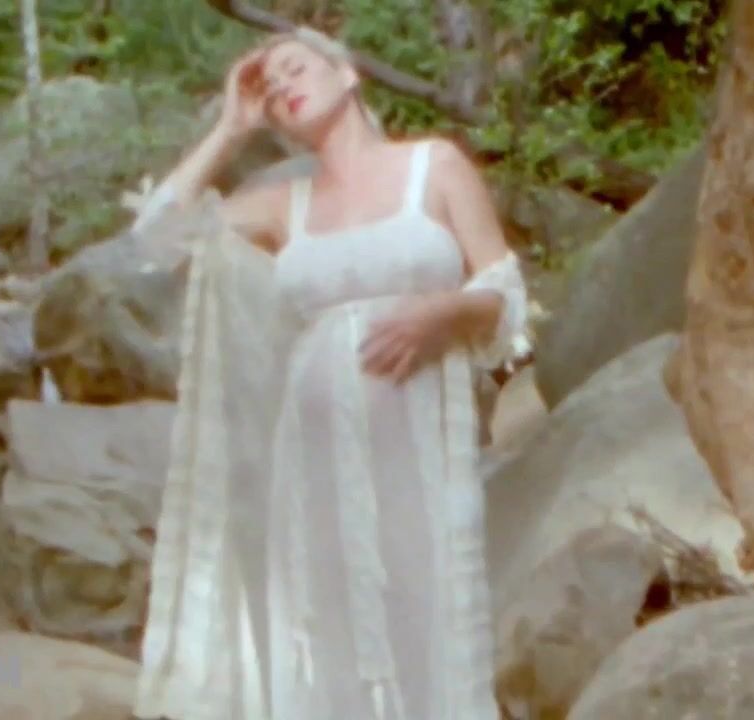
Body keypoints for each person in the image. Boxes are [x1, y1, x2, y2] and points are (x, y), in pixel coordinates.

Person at [132, 25, 527, 720]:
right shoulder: (283, 204)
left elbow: (504, 296)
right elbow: (155, 237)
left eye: (296, 67)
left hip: (415, 450)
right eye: (269, 84)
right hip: (310, 466)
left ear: (348, 76)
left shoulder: (434, 165)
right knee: (325, 637)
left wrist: (442, 312)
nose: (282, 85)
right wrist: (231, 128)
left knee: (424, 618)